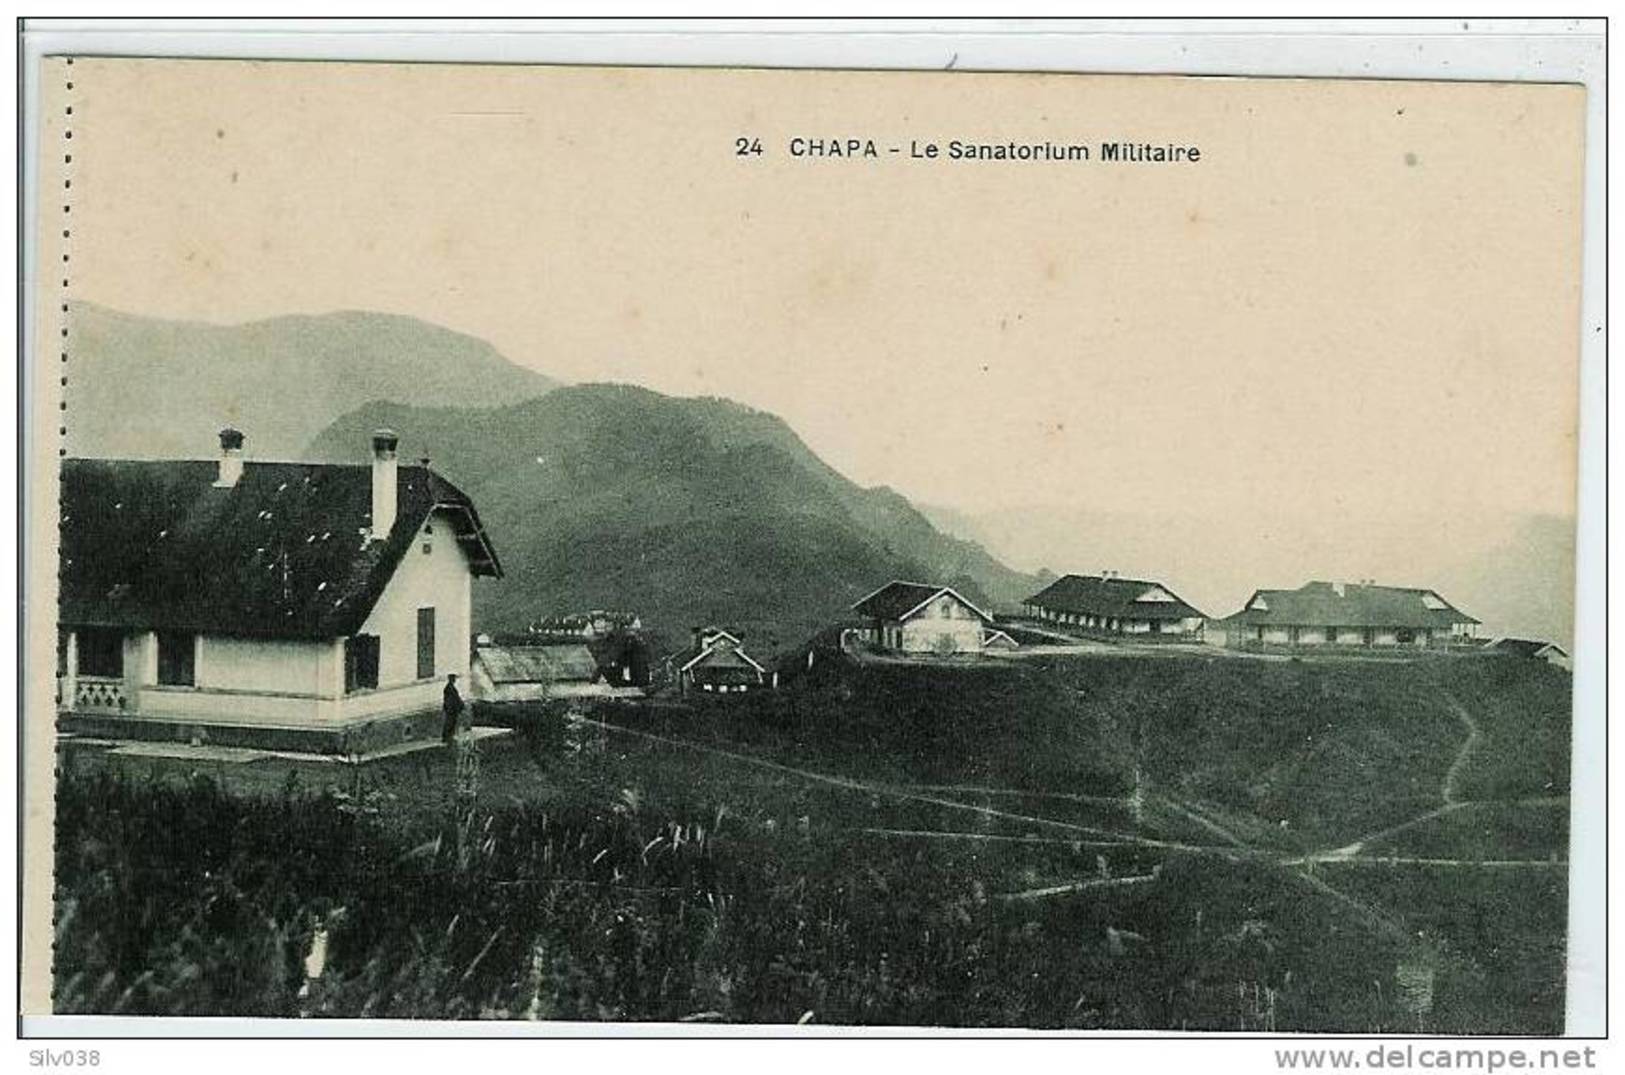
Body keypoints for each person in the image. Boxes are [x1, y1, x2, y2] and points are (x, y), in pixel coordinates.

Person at [441, 673, 465, 745]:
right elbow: (451, 699)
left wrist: (460, 704)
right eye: (453, 679)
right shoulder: (448, 688)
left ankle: (449, 736)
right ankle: (446, 737)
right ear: (451, 679)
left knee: (452, 722)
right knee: (449, 723)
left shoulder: (451, 688)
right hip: (451, 709)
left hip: (452, 709)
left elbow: (456, 698)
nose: (454, 680)